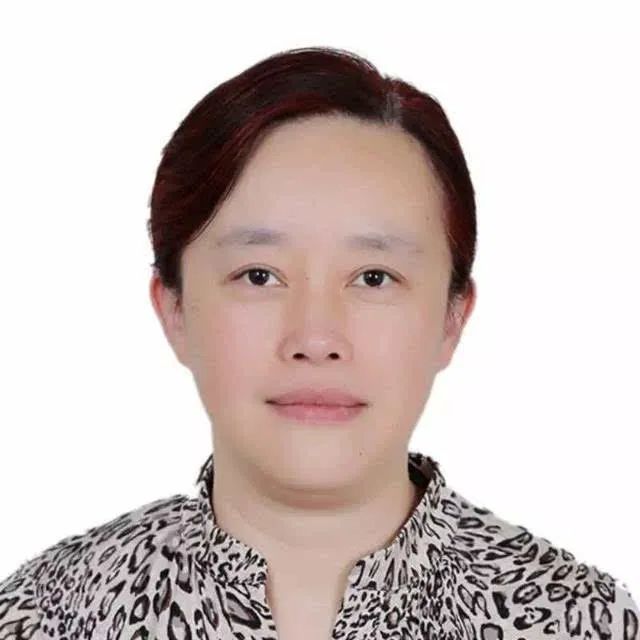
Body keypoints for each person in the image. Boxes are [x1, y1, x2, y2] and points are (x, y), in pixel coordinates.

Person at [1, 45, 637, 640]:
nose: (315, 338)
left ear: (452, 318)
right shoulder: (44, 615)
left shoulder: (582, 621)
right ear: (173, 310)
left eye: (374, 277)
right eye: (259, 276)